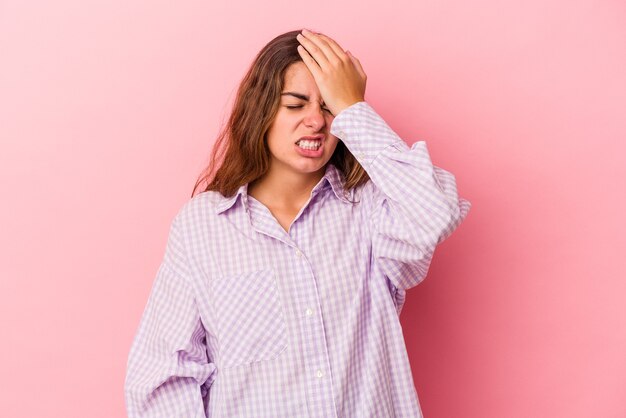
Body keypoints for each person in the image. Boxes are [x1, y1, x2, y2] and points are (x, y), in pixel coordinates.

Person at [124, 28, 471, 417]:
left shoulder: (372, 209)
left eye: (328, 107)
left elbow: (434, 211)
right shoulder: (203, 226)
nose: (316, 122)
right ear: (262, 110)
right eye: (296, 104)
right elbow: (162, 376)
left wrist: (353, 108)